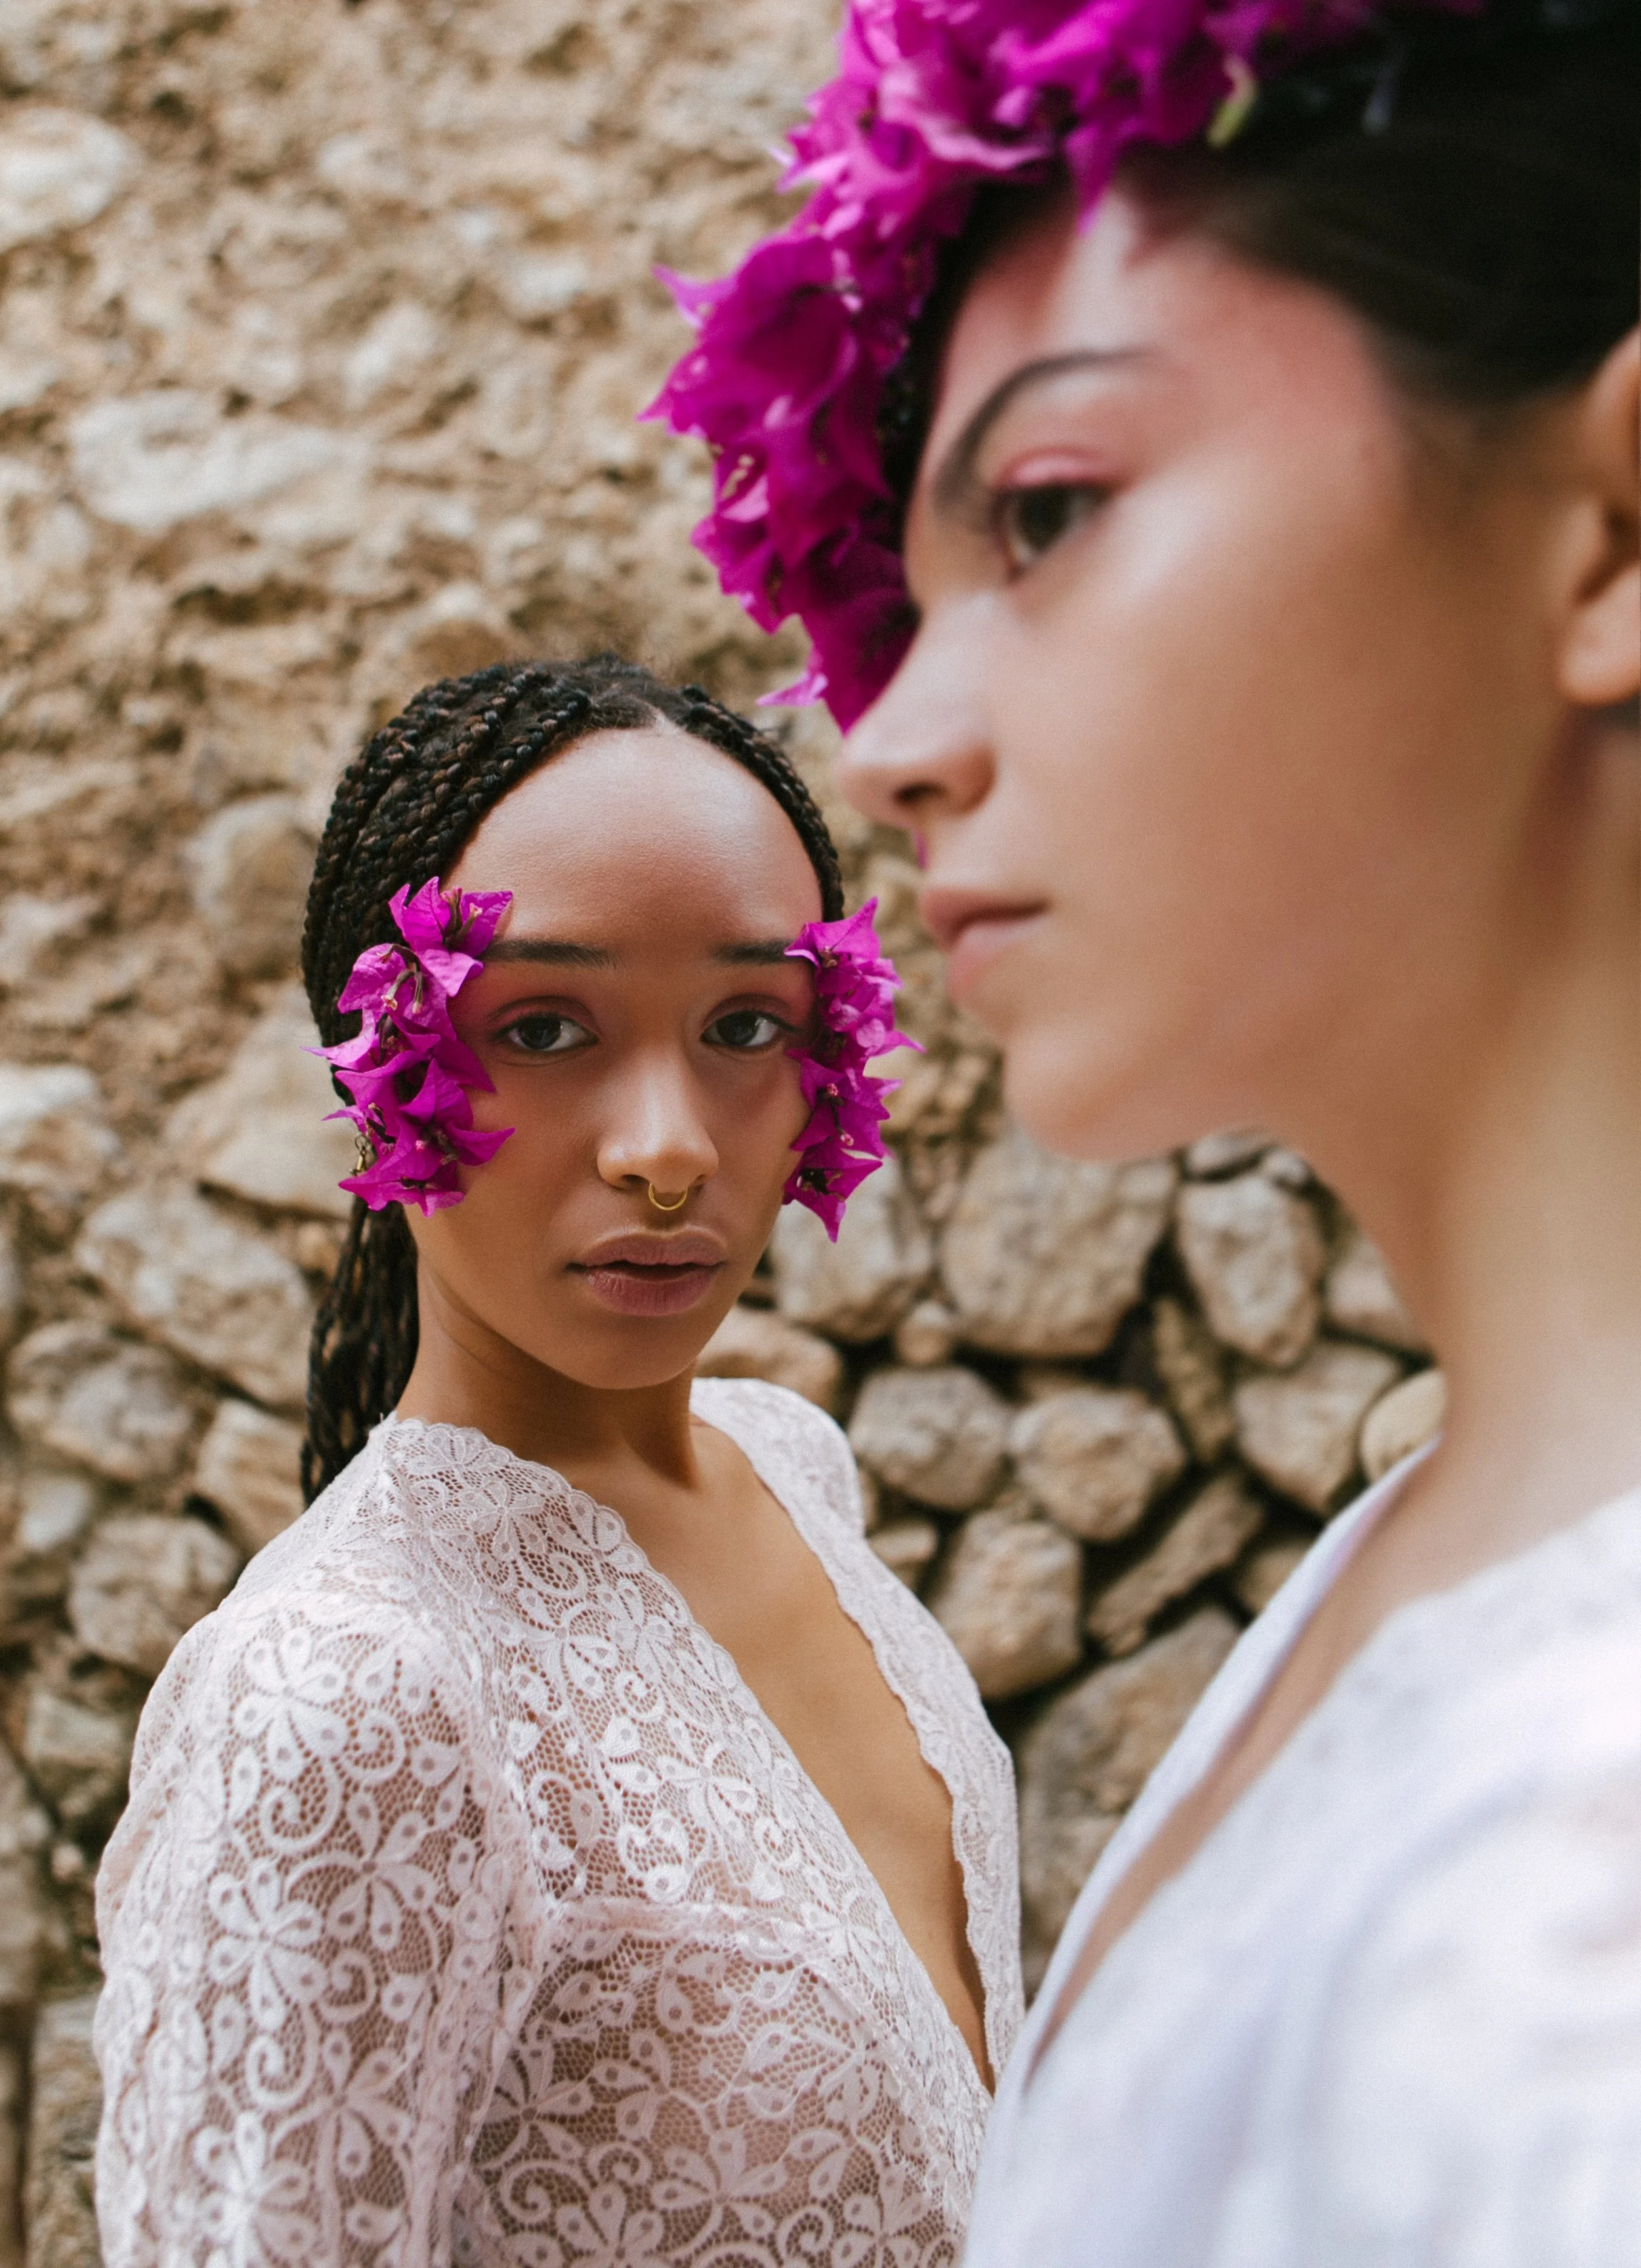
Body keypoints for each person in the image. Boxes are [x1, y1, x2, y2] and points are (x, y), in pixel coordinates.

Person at [652, 1, 1641, 2259]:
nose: (889, 733)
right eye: (906, 597)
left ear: (1613, 529)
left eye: (1052, 510)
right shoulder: (1410, 1560)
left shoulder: (1595, 1860)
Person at [93, 658, 1023, 2267]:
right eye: (540, 1025)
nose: (665, 1145)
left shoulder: (789, 1469)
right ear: (382, 1068)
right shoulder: (344, 1697)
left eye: (746, 1023)